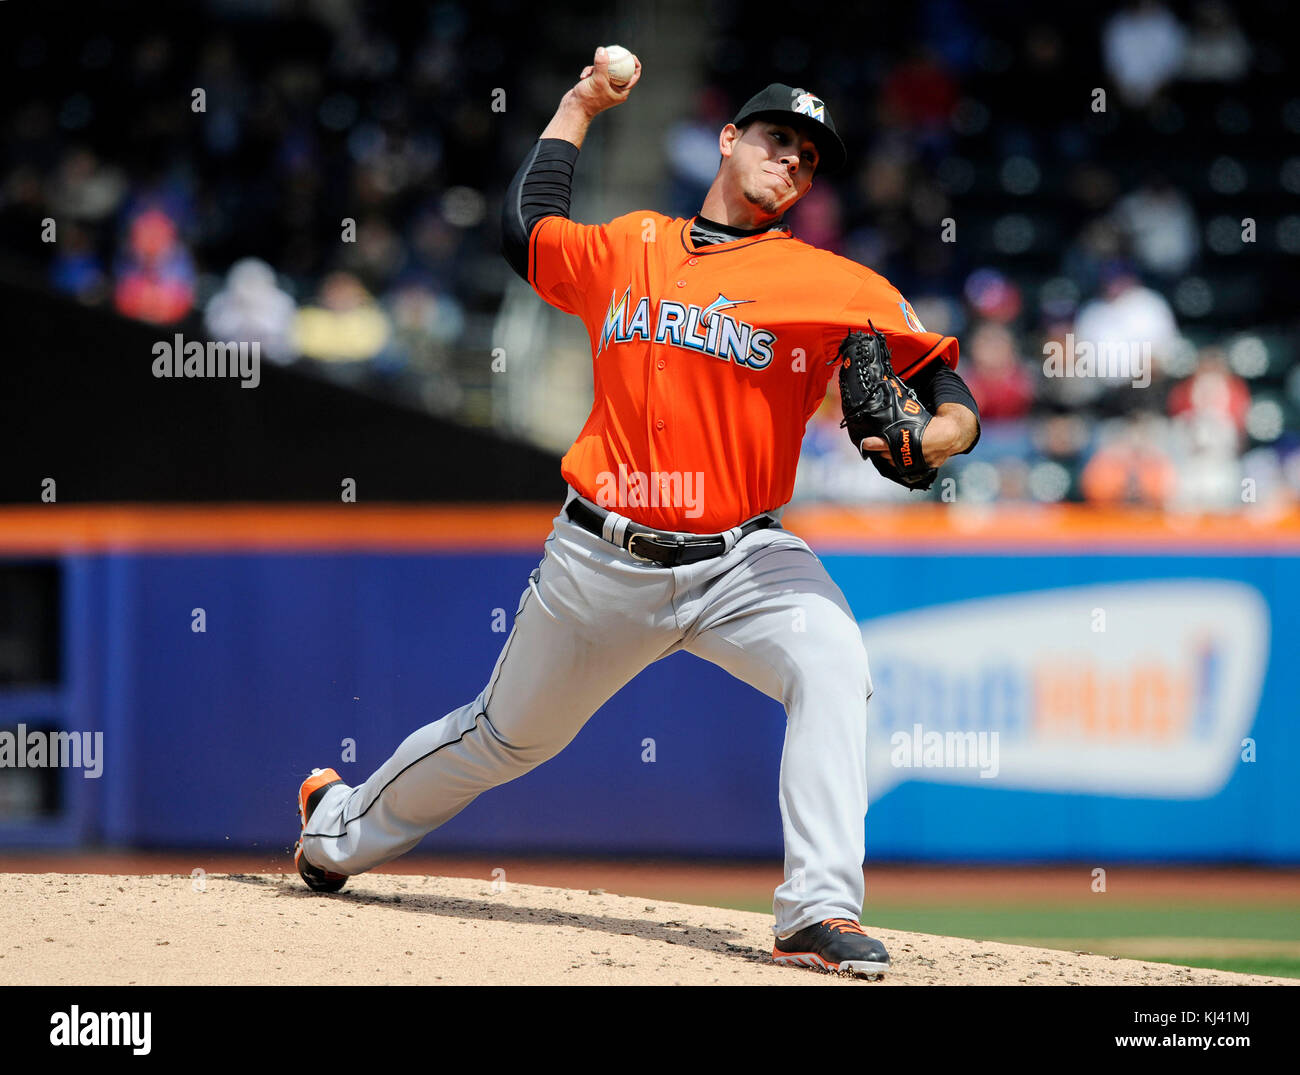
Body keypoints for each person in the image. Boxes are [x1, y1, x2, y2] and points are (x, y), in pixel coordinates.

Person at [294, 49, 980, 978]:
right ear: (729, 139)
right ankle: (334, 829)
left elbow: (947, 386)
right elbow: (523, 226)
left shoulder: (833, 284)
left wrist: (939, 437)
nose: (793, 161)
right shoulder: (629, 245)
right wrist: (578, 100)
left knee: (834, 662)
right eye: (778, 139)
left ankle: (816, 906)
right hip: (599, 558)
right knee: (502, 737)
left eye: (809, 157)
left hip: (743, 559)